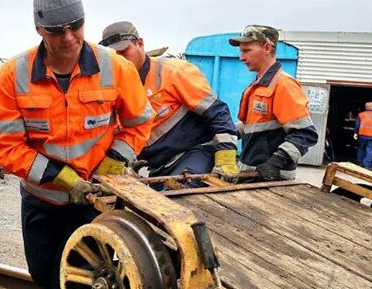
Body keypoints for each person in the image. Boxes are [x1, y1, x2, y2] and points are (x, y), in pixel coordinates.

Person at [0, 0, 153, 289]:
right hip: (43, 198)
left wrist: (112, 167)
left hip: (97, 199)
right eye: (57, 30)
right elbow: (8, 148)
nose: (69, 38)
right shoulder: (12, 76)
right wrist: (63, 179)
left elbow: (138, 122)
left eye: (76, 26)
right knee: (47, 273)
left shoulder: (116, 68)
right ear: (39, 29)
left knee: (98, 270)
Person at [99, 21, 240, 180]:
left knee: (185, 194)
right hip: (156, 167)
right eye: (114, 56)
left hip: (194, 153)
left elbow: (217, 111)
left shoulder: (174, 72)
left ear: (140, 43)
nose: (121, 60)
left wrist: (226, 154)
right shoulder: (113, 89)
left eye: (124, 52)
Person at [230, 25, 318, 180]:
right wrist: (224, 131)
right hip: (252, 174)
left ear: (267, 47)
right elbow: (253, 125)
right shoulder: (258, 85)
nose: (241, 58)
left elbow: (305, 133)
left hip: (272, 178)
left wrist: (276, 162)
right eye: (241, 51)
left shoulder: (283, 85)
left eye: (247, 51)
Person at [354, 101, 372, 169]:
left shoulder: (361, 114)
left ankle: (360, 162)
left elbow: (357, 125)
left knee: (361, 148)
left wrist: (355, 132)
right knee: (370, 150)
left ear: (365, 107)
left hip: (362, 134)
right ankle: (366, 165)